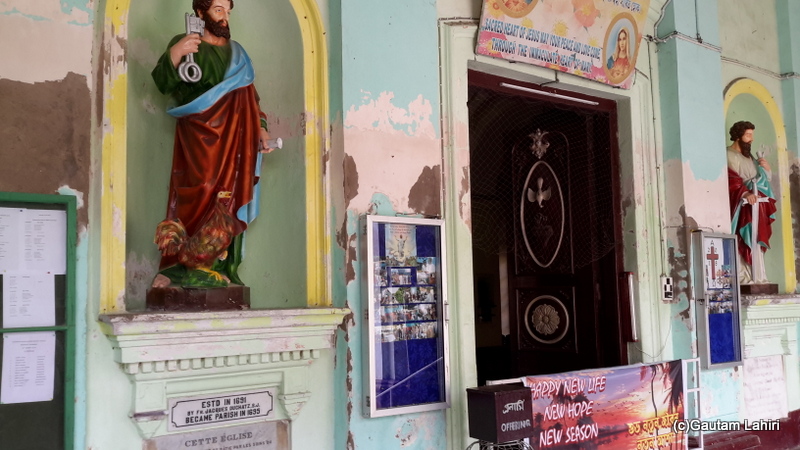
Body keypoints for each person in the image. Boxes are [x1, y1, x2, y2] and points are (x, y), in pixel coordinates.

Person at [150, 0, 274, 288]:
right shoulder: (185, 44)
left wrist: (262, 129)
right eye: (219, 9)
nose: (225, 16)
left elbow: (251, 98)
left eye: (228, 10)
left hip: (236, 137)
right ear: (200, 12)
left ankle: (219, 265)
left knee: (228, 199)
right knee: (202, 187)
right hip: (200, 135)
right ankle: (178, 267)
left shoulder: (238, 54)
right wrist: (178, 53)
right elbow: (163, 83)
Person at [726, 121, 777, 284]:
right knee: (744, 234)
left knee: (757, 236)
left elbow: (762, 180)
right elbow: (730, 179)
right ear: (737, 136)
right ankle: (744, 276)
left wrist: (766, 169)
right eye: (748, 135)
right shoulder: (728, 154)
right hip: (742, 205)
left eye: (752, 135)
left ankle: (759, 275)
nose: (751, 139)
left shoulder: (750, 158)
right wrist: (745, 193)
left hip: (757, 204)